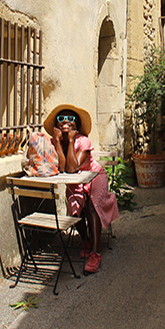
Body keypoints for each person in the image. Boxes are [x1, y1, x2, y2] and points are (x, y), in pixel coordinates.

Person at [43, 104, 119, 274]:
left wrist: (70, 141)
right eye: (61, 119)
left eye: (71, 119)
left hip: (95, 176)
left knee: (92, 207)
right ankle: (86, 240)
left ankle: (95, 253)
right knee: (74, 210)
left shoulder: (83, 141)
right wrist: (57, 142)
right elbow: (63, 168)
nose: (66, 122)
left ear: (76, 124)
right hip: (75, 180)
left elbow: (72, 167)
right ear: (56, 124)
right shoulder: (55, 143)